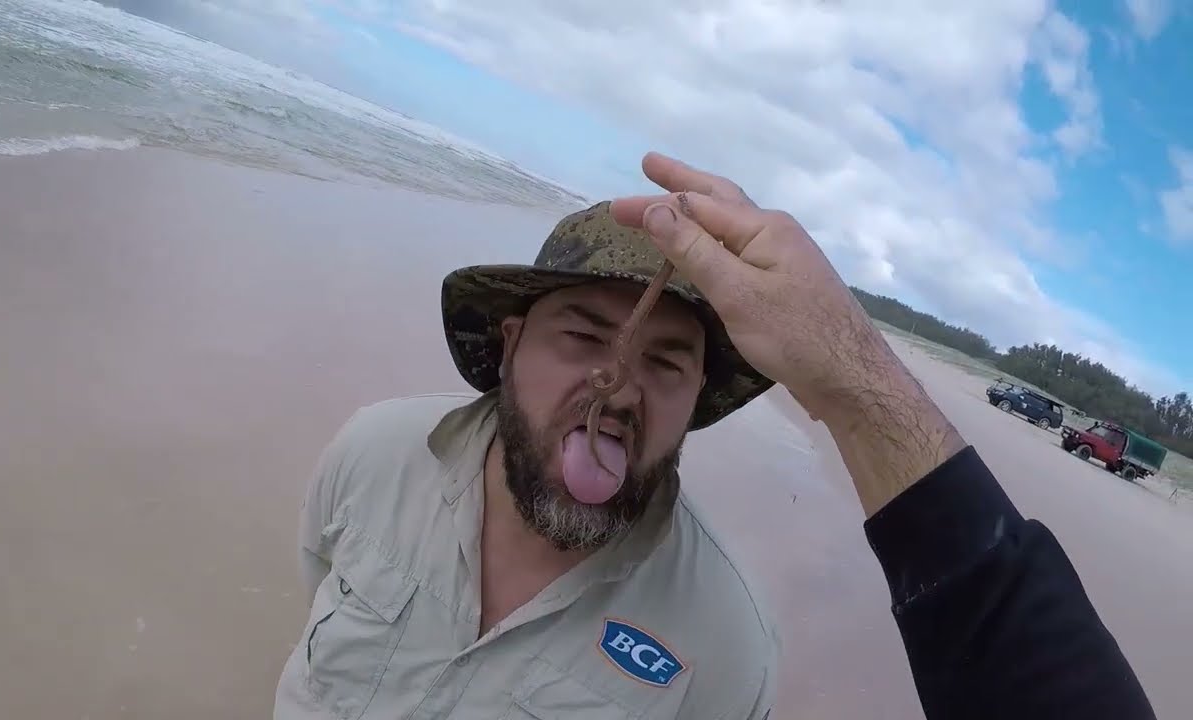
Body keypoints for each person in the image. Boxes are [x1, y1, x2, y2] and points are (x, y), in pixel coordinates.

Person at [274, 152, 1156, 720]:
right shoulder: (375, 453)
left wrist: (853, 379)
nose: (613, 387)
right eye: (582, 336)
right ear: (509, 347)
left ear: (700, 396)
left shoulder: (725, 643)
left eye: (667, 362)